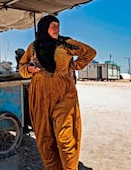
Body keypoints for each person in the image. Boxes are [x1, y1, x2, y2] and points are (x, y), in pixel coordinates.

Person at [19, 15, 96, 170]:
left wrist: (74, 66)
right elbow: (22, 67)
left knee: (65, 136)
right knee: (44, 138)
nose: (56, 29)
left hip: (63, 93)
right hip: (40, 95)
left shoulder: (65, 43)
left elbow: (89, 52)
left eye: (58, 25)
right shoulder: (33, 47)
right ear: (43, 27)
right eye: (52, 25)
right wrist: (29, 69)